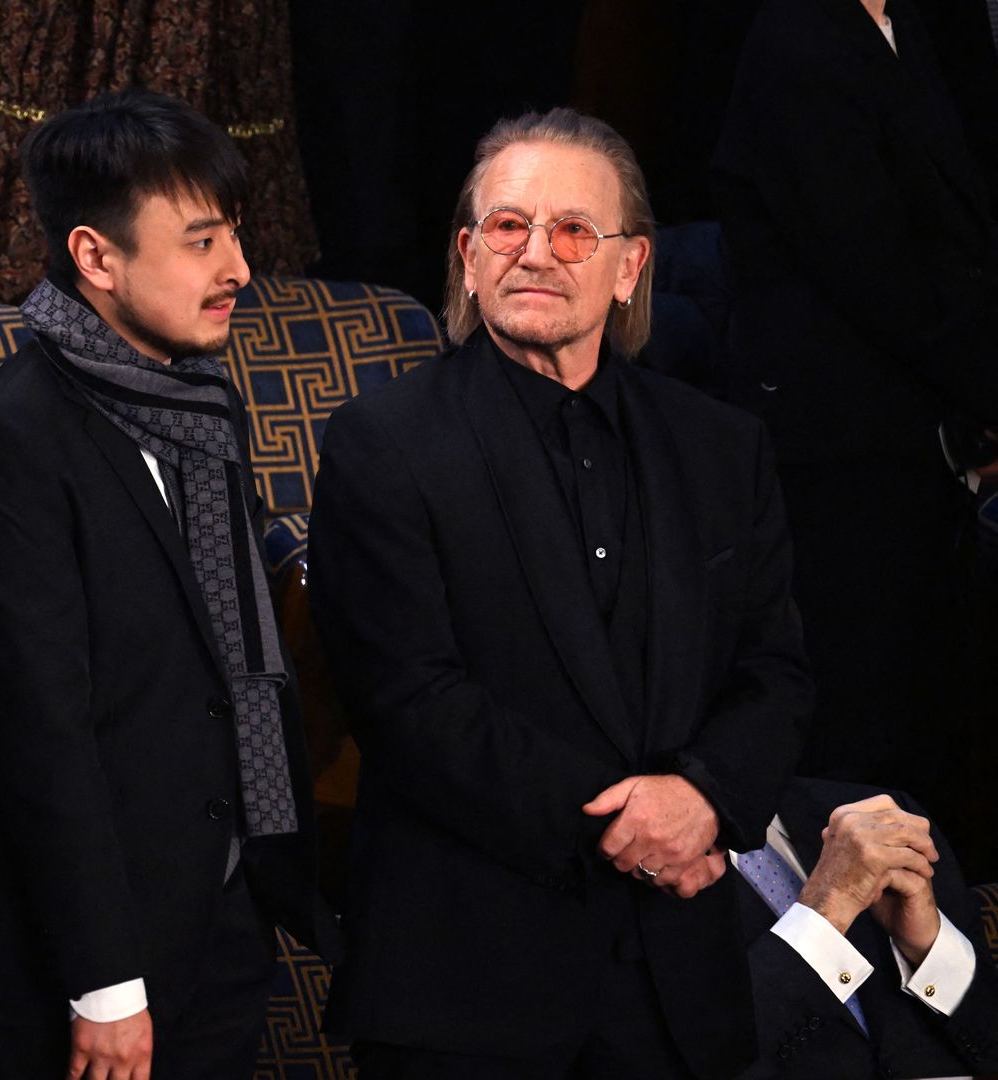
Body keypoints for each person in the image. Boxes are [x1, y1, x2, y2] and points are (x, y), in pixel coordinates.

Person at [309, 107, 814, 1078]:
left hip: (680, 987)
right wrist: (643, 832)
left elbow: (776, 674)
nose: (536, 253)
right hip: (468, 983)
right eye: (508, 225)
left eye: (575, 230)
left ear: (630, 266)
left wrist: (705, 799)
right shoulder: (383, 441)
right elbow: (410, 702)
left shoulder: (723, 447)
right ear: (467, 257)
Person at [0, 89, 328, 1080]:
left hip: (221, 916)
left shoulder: (200, 402)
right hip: (80, 967)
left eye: (234, 232)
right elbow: (40, 733)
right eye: (201, 242)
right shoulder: (7, 443)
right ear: (95, 257)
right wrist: (105, 983)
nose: (239, 269)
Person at [713, 0, 998, 878]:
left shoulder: (914, 25)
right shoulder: (796, 39)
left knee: (924, 721)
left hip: (917, 436)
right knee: (857, 738)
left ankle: (930, 943)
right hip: (835, 453)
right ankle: (843, 949)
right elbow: (876, 267)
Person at [732, 779, 998, 1078]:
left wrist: (930, 950)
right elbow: (714, 1054)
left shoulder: (887, 813)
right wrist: (825, 914)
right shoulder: (686, 876)